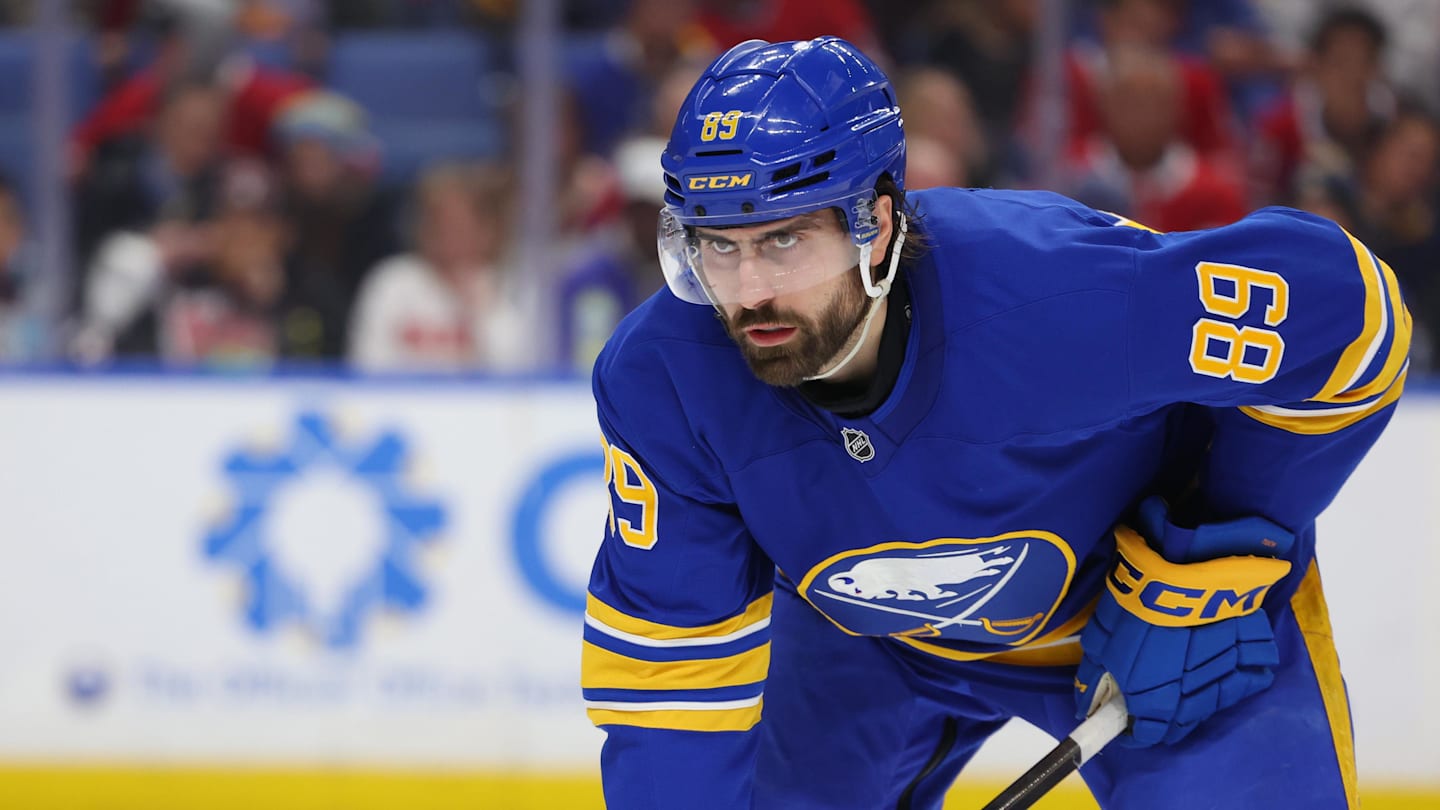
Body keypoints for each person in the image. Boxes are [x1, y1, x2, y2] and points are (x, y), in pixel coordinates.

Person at [582, 36, 1408, 809]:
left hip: (1156, 623)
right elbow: (672, 683)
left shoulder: (1062, 299)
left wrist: (1213, 548)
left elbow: (1352, 318)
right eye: (719, 247)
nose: (750, 291)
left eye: (785, 241)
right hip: (870, 640)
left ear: (877, 226)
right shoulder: (666, 377)